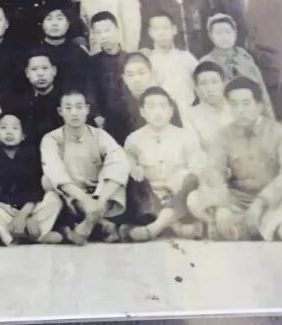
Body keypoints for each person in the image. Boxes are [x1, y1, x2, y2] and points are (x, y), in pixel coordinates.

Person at [186, 77, 282, 241]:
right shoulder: (223, 136)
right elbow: (213, 172)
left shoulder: (279, 132)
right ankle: (271, 228)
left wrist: (262, 201)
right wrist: (221, 206)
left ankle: (244, 229)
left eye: (246, 103)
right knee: (194, 199)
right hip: (240, 201)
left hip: (275, 200)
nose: (240, 110)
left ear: (259, 106)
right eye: (234, 104)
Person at [40, 88, 130, 245]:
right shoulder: (52, 138)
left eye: (79, 107)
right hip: (71, 195)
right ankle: (102, 224)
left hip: (99, 194)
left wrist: (99, 201)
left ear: (87, 109)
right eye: (68, 108)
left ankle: (88, 225)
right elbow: (55, 171)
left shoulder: (100, 135)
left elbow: (118, 161)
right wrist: (85, 200)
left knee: (118, 174)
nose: (74, 113)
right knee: (48, 180)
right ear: (60, 111)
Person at [120, 87, 207, 241]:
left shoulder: (185, 136)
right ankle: (175, 227)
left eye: (162, 106)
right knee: (132, 183)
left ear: (171, 111)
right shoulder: (133, 139)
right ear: (142, 112)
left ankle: (156, 228)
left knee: (190, 179)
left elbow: (199, 168)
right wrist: (134, 168)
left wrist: (183, 174)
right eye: (151, 107)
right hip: (151, 200)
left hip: (179, 198)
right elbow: (127, 164)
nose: (157, 112)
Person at [0, 114, 63, 245]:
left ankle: (20, 235)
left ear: (23, 135)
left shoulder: (31, 156)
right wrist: (18, 217)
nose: (9, 132)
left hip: (31, 210)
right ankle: (36, 236)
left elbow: (35, 190)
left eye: (15, 128)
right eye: (4, 127)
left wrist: (25, 217)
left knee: (53, 198)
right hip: (7, 210)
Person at [199, 14, 272, 117]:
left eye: (228, 32)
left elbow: (261, 87)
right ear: (210, 36)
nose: (224, 37)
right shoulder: (206, 62)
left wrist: (269, 115)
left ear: (235, 33)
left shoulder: (243, 55)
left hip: (254, 112)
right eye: (218, 33)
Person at [143, 11, 199, 108]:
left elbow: (201, 82)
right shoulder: (147, 61)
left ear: (174, 30)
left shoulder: (186, 57)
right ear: (150, 32)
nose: (161, 33)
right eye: (156, 29)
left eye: (165, 28)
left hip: (188, 110)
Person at [86, 12, 127, 138]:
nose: (103, 36)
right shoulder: (91, 63)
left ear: (117, 30)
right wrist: (97, 116)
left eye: (107, 30)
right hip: (105, 123)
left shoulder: (130, 59)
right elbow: (90, 93)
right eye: (98, 33)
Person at [184, 61, 234, 159]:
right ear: (196, 89)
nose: (210, 88)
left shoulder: (236, 108)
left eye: (214, 82)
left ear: (224, 84)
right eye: (203, 84)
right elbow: (195, 153)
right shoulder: (190, 116)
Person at [15, 49, 63, 143]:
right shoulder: (21, 103)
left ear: (54, 70)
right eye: (34, 69)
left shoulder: (65, 101)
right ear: (27, 73)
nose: (40, 74)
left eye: (45, 68)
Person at [38, 6, 90, 84]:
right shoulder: (34, 53)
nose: (54, 24)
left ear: (68, 23)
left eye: (60, 19)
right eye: (49, 19)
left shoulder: (79, 53)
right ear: (42, 24)